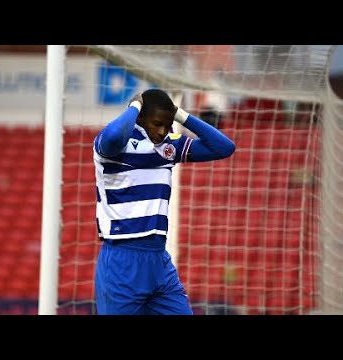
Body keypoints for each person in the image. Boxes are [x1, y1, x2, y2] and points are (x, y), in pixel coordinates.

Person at [93, 88, 236, 315]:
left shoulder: (170, 146)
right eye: (157, 123)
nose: (162, 131)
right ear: (140, 118)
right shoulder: (113, 146)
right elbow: (112, 136)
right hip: (122, 260)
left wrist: (179, 115)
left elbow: (225, 147)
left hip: (159, 260)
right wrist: (134, 106)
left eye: (167, 124)